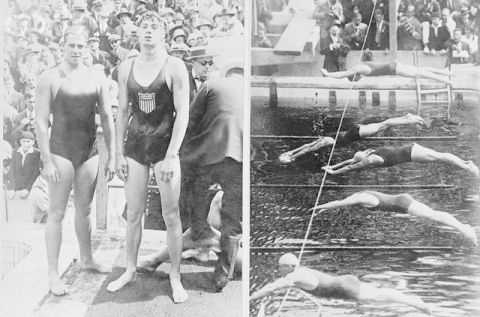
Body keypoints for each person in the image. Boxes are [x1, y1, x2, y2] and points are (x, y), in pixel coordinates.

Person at [108, 12, 189, 304]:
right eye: (144, 27)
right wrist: (117, 153)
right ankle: (130, 269)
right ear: (137, 34)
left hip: (165, 146)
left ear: (163, 34)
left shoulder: (175, 66)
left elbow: (183, 115)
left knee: (171, 215)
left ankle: (175, 276)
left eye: (155, 27)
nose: (148, 32)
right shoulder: (126, 66)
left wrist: (171, 155)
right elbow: (121, 113)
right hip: (136, 148)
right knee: (133, 213)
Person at [35, 25, 116, 296]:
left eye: (81, 46)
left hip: (89, 150)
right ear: (63, 47)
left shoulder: (97, 77)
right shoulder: (49, 77)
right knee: (56, 213)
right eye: (72, 45)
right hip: (60, 151)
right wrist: (46, 160)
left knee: (85, 210)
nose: (77, 50)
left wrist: (112, 156)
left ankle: (87, 258)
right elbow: (40, 121)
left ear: (87, 48)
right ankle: (51, 274)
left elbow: (107, 117)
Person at [176, 75, 243, 292]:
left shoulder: (211, 84)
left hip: (208, 155)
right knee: (233, 222)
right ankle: (222, 276)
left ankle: (199, 234)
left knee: (192, 200)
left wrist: (182, 151)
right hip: (239, 158)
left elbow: (190, 120)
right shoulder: (245, 89)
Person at [249, 253, 431, 315]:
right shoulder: (300, 270)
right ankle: (405, 295)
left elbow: (271, 288)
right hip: (346, 281)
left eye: (281, 268)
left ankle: (414, 302)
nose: (279, 271)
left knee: (377, 300)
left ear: (289, 267)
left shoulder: (292, 277)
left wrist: (250, 298)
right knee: (378, 295)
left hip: (345, 288)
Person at [312, 191, 477, 245]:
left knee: (433, 215)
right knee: (433, 214)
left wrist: (319, 207)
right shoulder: (361, 194)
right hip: (401, 200)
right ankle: (464, 227)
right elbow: (341, 202)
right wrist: (322, 210)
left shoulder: (359, 198)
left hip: (401, 204)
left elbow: (339, 203)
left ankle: (465, 229)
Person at [279, 114, 425, 163]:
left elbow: (309, 149)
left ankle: (408, 119)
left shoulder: (328, 141)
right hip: (356, 130)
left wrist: (293, 157)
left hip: (358, 133)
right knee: (384, 124)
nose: (320, 147)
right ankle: (407, 117)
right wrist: (290, 153)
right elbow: (308, 146)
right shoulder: (326, 138)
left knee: (384, 124)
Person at [321, 143, 479, 176]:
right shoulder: (368, 152)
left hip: (411, 154)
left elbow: (351, 167)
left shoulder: (371, 160)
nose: (359, 164)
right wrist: (332, 166)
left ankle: (467, 166)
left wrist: (334, 173)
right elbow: (350, 162)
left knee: (440, 157)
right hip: (410, 149)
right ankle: (466, 164)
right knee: (440, 156)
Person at [320, 51, 454, 85]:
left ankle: (446, 80)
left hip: (394, 69)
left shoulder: (358, 70)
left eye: (356, 79)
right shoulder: (361, 65)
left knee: (420, 74)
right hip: (394, 64)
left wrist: (328, 74)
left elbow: (343, 74)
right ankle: (443, 71)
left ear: (354, 76)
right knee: (421, 69)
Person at [6, 131, 41, 200]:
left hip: (29, 186)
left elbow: (36, 173)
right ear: (20, 141)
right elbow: (12, 169)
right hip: (17, 186)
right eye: (24, 141)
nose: (26, 143)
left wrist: (28, 189)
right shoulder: (15, 151)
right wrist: (12, 187)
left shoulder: (37, 153)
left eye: (28, 141)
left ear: (33, 142)